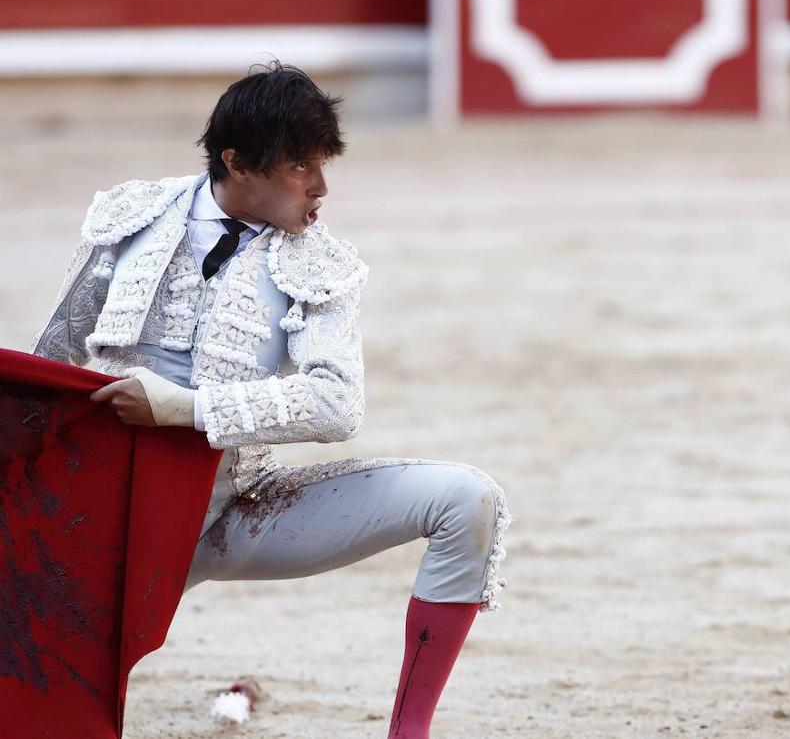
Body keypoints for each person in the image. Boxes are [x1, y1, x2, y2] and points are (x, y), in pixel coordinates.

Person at [30, 62, 510, 739]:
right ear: (238, 162)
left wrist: (186, 409)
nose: (321, 188)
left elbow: (337, 404)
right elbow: (51, 359)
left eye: (322, 164)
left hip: (232, 513)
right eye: (300, 167)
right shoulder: (132, 215)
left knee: (469, 502)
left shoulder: (320, 262)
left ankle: (410, 733)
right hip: (101, 524)